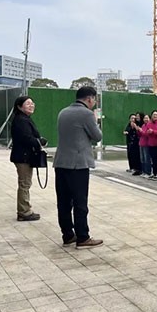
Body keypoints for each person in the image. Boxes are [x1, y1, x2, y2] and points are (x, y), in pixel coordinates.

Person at [53, 87, 103, 249]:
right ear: (89, 99)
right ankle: (83, 237)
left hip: (61, 162)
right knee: (80, 202)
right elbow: (97, 136)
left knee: (63, 202)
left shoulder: (63, 112)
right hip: (78, 164)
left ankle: (68, 235)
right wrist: (95, 120)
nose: (94, 103)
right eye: (94, 100)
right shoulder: (87, 114)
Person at [10, 96, 47, 222]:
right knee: (24, 184)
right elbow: (26, 138)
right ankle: (24, 212)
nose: (31, 105)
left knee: (25, 183)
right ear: (19, 106)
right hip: (23, 157)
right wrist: (39, 141)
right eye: (28, 104)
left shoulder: (24, 118)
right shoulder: (21, 120)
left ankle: (25, 209)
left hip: (24, 156)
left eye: (32, 103)